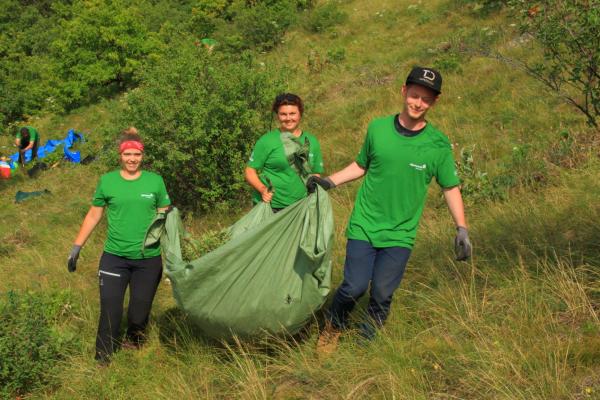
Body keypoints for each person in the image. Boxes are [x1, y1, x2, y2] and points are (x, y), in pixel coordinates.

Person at [307, 67, 472, 353]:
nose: (418, 103)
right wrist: (328, 182)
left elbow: (450, 186)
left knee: (382, 293)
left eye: (426, 99)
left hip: (401, 233)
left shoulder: (438, 144)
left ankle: (365, 345)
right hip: (365, 225)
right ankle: (333, 326)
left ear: (434, 103)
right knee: (354, 286)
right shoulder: (377, 129)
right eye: (414, 95)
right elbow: (361, 165)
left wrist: (462, 228)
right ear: (404, 92)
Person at [67, 127, 171, 363]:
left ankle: (134, 341)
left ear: (142, 156)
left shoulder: (155, 182)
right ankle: (103, 358)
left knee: (138, 313)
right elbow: (94, 214)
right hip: (115, 257)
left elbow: (166, 217)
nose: (132, 159)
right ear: (120, 156)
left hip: (148, 259)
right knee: (111, 311)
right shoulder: (108, 181)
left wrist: (174, 253)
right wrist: (77, 247)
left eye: (136, 155)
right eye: (127, 155)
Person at [245, 93, 324, 212]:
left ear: (300, 114)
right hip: (271, 207)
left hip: (301, 207)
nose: (288, 118)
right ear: (277, 115)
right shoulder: (267, 140)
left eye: (292, 113)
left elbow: (316, 173)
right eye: (283, 114)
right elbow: (250, 170)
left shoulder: (312, 141)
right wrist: (262, 189)